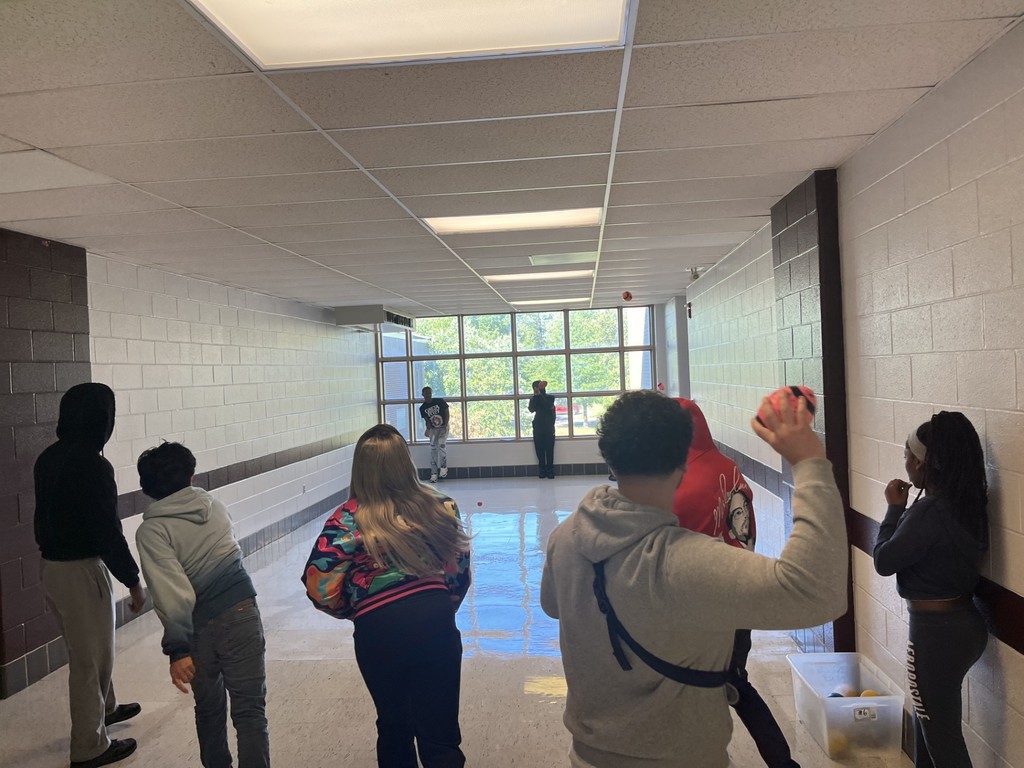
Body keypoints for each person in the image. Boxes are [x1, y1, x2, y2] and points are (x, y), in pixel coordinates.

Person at [540, 390, 847, 768]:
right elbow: (817, 591)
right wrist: (809, 461)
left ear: (609, 457)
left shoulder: (566, 537)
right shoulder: (687, 565)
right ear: (681, 464)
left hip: (586, 757)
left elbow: (553, 606)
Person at [302, 424, 472, 768]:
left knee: (394, 725)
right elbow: (459, 572)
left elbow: (319, 585)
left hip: (379, 629)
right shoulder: (441, 506)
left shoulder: (347, 518)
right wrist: (441, 603)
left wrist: (358, 608)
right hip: (434, 619)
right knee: (440, 731)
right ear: (405, 462)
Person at [672, 398, 799, 768]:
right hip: (737, 593)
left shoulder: (683, 480)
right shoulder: (726, 466)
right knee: (736, 684)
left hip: (699, 605)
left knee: (695, 692)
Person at [135, 442, 270, 768]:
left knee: (209, 709)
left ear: (147, 488)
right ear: (191, 474)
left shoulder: (152, 530)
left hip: (200, 629)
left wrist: (178, 651)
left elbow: (173, 594)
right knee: (250, 710)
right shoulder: (214, 505)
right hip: (243, 611)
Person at [33, 382, 145, 768]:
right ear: (101, 418)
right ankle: (89, 747)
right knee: (89, 661)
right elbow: (106, 530)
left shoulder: (48, 458)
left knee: (88, 651)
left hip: (52, 568)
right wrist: (132, 579)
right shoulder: (94, 465)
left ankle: (107, 708)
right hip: (81, 571)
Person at [873, 412, 989, 768]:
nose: (905, 461)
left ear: (925, 464)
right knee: (929, 727)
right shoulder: (968, 503)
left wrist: (894, 510)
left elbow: (884, 560)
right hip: (964, 624)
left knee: (942, 739)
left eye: (908, 454)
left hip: (936, 635)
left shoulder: (931, 511)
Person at [419, 386, 450, 483]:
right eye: (426, 393)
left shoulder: (440, 401)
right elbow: (427, 420)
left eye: (429, 393)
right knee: (433, 448)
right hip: (433, 428)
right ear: (423, 395)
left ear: (431, 393)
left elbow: (446, 412)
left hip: (443, 426)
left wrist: (445, 424)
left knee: (441, 444)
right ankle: (434, 473)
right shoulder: (422, 408)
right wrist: (428, 429)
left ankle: (444, 467)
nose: (428, 395)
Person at [528, 380, 556, 478]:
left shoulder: (550, 398)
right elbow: (531, 409)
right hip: (538, 428)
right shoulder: (533, 399)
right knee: (539, 450)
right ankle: (542, 469)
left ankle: (550, 470)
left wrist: (540, 396)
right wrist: (536, 397)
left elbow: (547, 406)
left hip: (548, 428)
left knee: (549, 450)